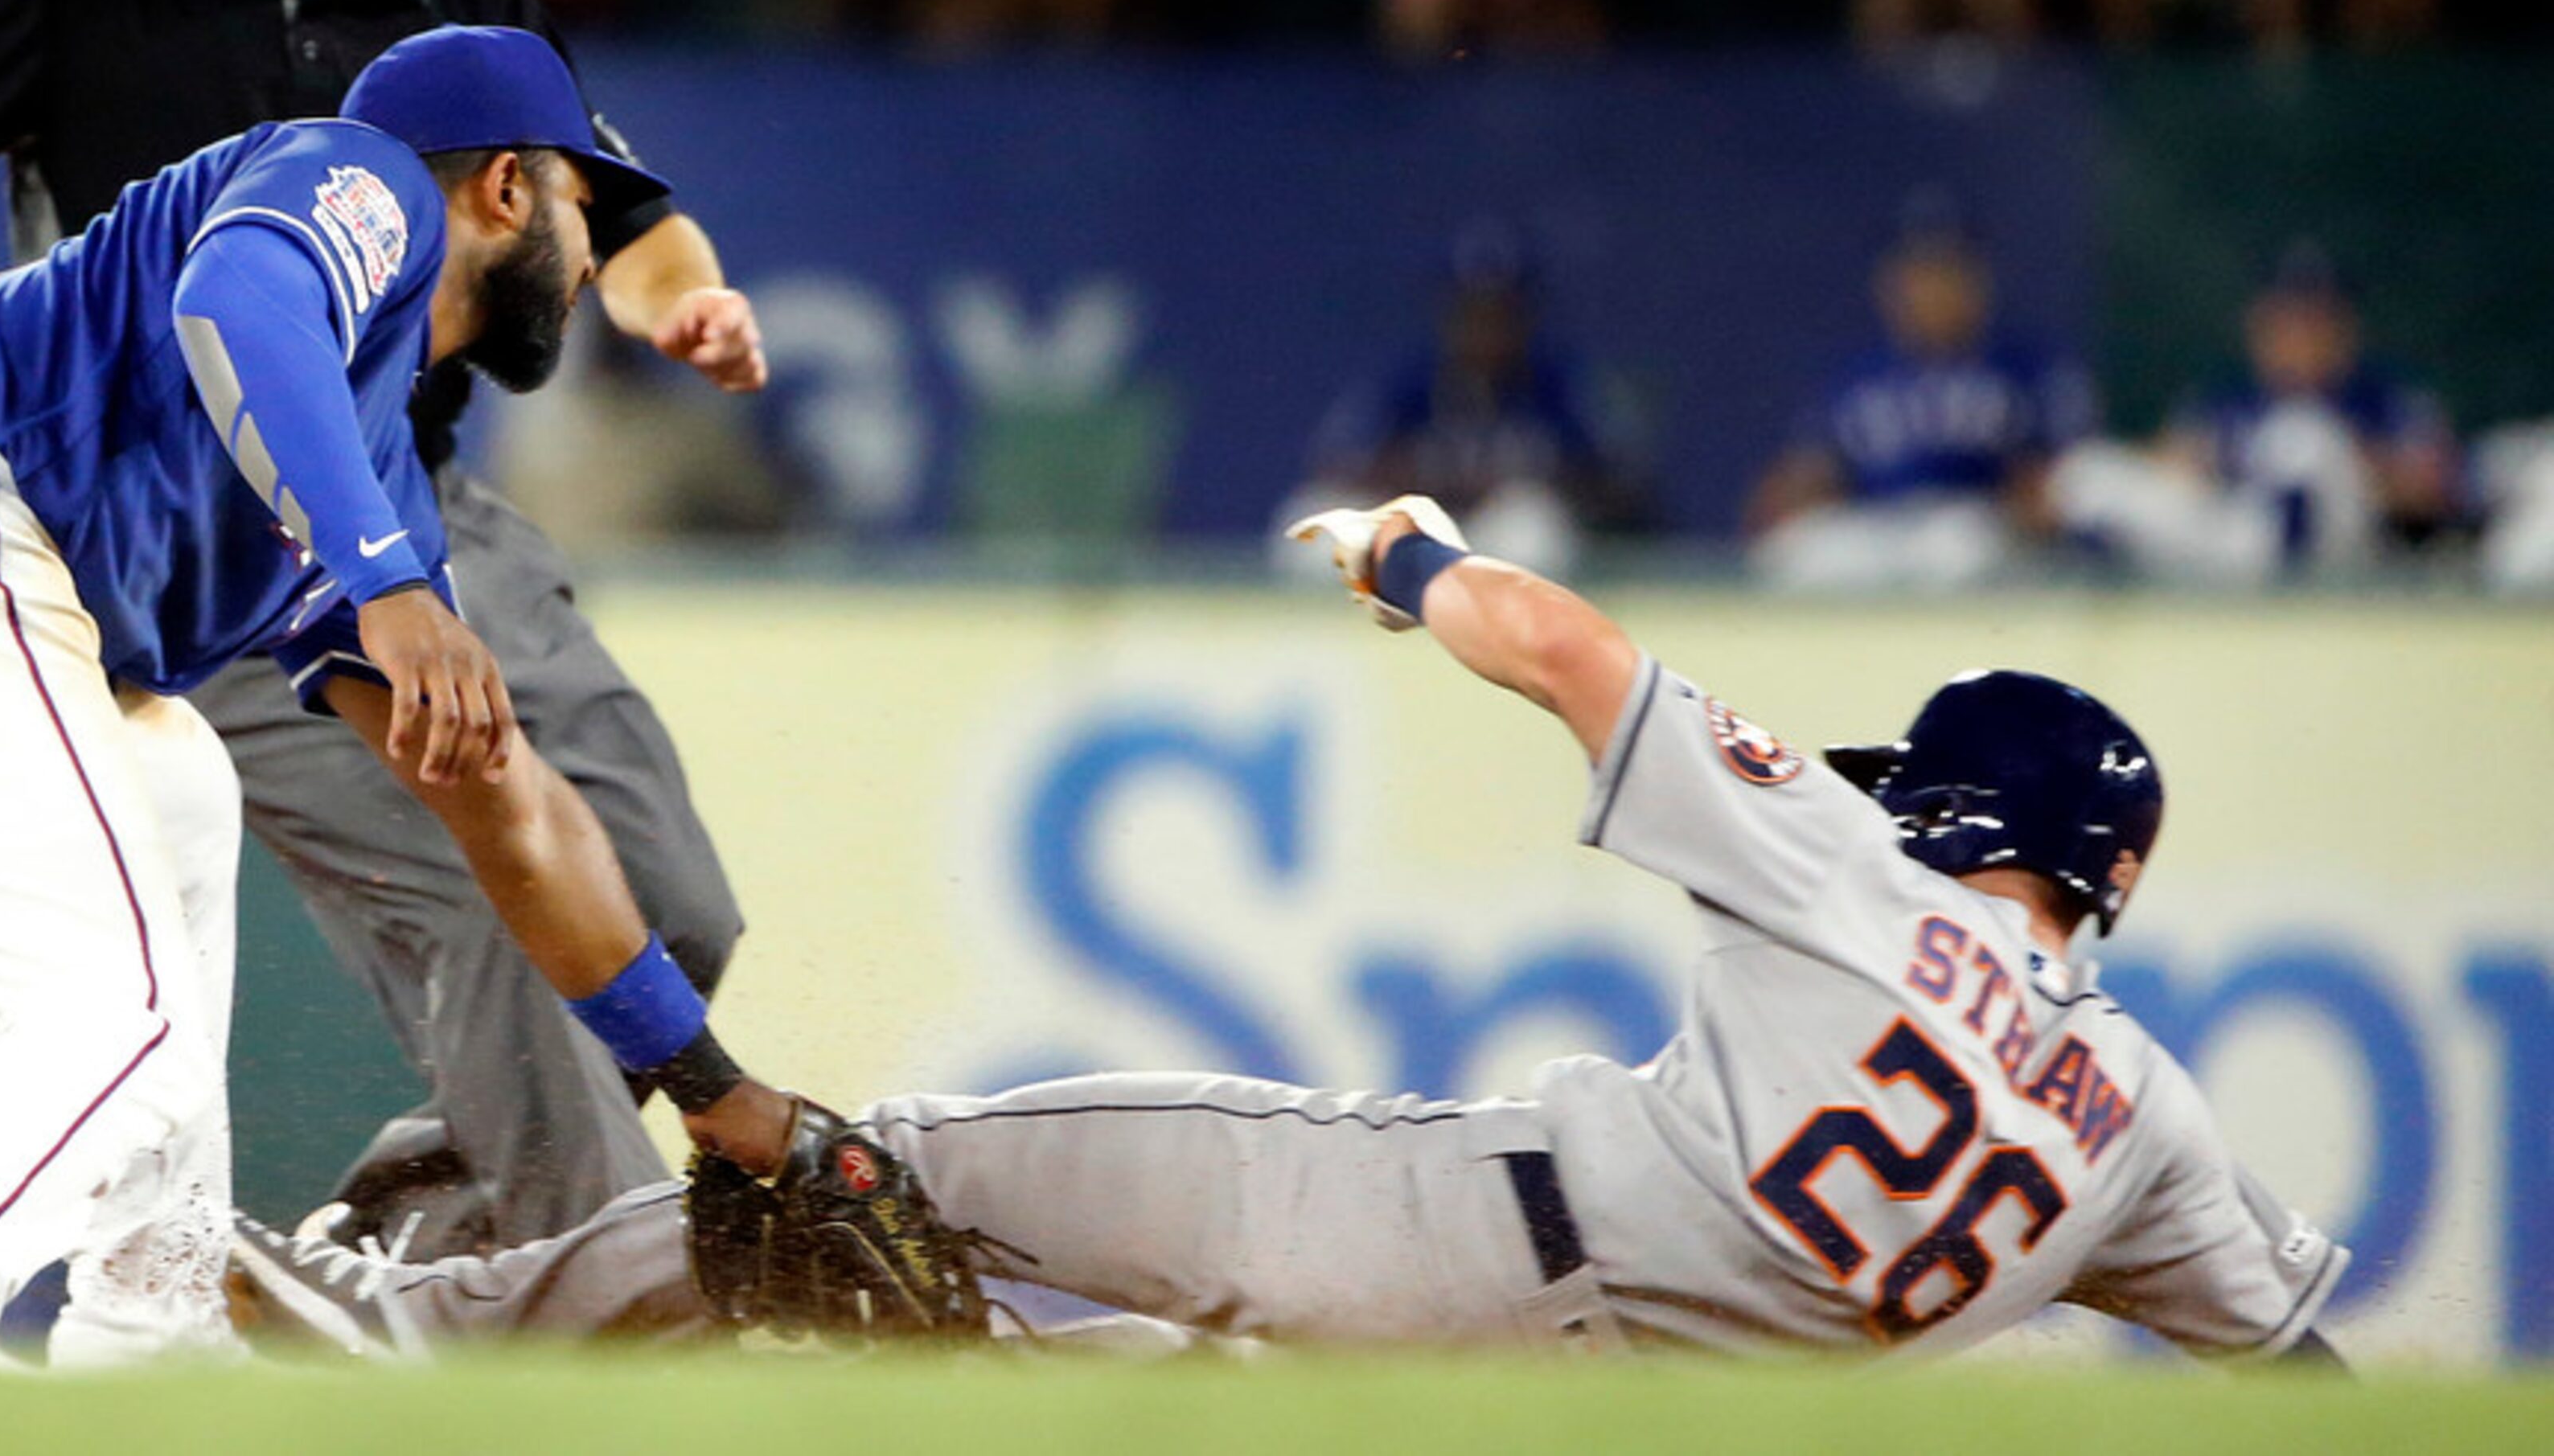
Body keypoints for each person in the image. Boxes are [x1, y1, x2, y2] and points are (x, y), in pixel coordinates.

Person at [226, 493, 2347, 1366]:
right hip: (1633, 1397)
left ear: (1948, 811)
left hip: (1465, 1227)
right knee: (1111, 1366)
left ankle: (435, 1323)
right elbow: (2302, 1369)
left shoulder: (1868, 880)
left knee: (885, 1171)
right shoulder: (2146, 1116)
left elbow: (1559, 639)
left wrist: (1404, 550)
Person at [0, 27, 804, 1368]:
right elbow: (239, 298)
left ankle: (157, 1312)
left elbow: (502, 798)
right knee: (113, 1009)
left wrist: (709, 1085)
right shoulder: (359, 178)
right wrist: (384, 578)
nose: (594, 248)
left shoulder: (361, 454)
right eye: (579, 202)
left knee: (180, 780)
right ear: (503, 188)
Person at [2051, 242, 2460, 586]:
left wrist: (2361, 463)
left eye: (2315, 321)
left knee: (2305, 433)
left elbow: (2432, 494)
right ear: (2259, 326)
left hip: (2354, 566)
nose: (2300, 339)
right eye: (2286, 322)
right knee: (2089, 472)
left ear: (2345, 329)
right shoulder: (2225, 403)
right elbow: (2172, 464)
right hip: (2230, 541)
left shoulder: (2387, 400)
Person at [1747, 195, 2094, 590]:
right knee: (1801, 552)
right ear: (1891, 285)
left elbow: (2058, 483)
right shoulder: (1857, 378)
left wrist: (2021, 517)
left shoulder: (2025, 369)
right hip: (1880, 531)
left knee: (1958, 546)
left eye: (1948, 272)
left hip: (1973, 527)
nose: (1932, 290)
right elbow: (1800, 479)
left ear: (1978, 281)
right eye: (1919, 274)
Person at [1275, 223, 1627, 582]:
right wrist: (1428, 481)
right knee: (1315, 530)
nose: (1486, 329)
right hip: (1414, 538)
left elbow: (1614, 485)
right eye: (1472, 313)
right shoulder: (1408, 384)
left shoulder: (1556, 387)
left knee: (1531, 531)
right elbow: (1338, 467)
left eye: (1500, 313)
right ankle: (1346, 636)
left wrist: (1519, 483)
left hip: (1492, 535)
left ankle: (1509, 637)